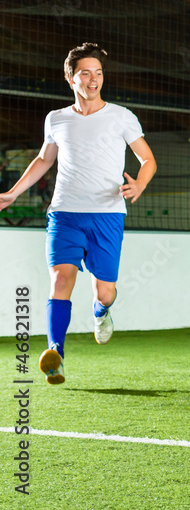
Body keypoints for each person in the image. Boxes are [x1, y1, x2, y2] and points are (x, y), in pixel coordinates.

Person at [0, 43, 156, 385]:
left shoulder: (121, 116)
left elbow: (148, 160)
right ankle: (56, 355)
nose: (93, 79)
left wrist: (139, 185)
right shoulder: (56, 119)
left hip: (107, 216)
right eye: (86, 72)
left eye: (98, 73)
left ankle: (102, 312)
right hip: (65, 214)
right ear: (71, 78)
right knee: (61, 278)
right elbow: (44, 160)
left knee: (105, 292)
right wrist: (13, 192)